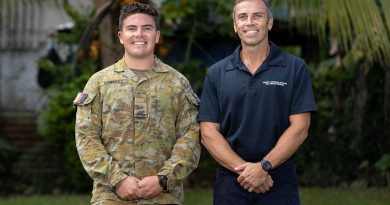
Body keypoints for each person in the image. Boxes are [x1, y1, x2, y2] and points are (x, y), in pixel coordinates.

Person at [74, 1, 201, 205]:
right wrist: (117, 180)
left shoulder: (178, 83)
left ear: (157, 36)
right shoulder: (99, 83)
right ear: (121, 36)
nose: (139, 34)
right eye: (131, 28)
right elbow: (86, 137)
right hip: (110, 197)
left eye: (147, 28)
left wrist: (164, 179)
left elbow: (190, 137)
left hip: (164, 197)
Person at [197, 0, 317, 204]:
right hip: (231, 183)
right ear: (235, 25)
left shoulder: (295, 68)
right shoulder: (216, 73)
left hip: (278, 181)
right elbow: (208, 133)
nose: (249, 22)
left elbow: (300, 127)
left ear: (269, 22)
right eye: (242, 17)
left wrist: (264, 167)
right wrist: (248, 172)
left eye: (257, 16)